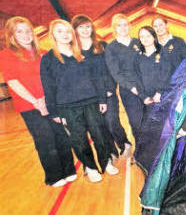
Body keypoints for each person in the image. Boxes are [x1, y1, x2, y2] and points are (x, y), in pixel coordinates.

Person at [0, 16, 76, 187]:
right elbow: (13, 82)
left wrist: (51, 100)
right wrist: (36, 102)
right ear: (11, 35)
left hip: (51, 103)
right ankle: (54, 176)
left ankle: (69, 170)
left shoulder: (43, 53)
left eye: (27, 30)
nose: (25, 34)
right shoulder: (6, 55)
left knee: (62, 137)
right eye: (19, 31)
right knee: (46, 140)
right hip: (29, 106)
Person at [40, 19, 117, 183]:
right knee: (79, 140)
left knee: (100, 135)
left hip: (91, 102)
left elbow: (96, 79)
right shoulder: (48, 59)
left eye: (67, 31)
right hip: (67, 107)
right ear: (52, 35)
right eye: (59, 31)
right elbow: (48, 87)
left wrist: (102, 99)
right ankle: (90, 167)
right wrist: (53, 111)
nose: (65, 34)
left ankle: (106, 162)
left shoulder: (81, 53)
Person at [71, 14, 131, 160]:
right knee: (100, 126)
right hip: (90, 97)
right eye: (81, 27)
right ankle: (111, 151)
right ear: (75, 30)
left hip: (108, 93)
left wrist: (110, 89)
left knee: (111, 122)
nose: (85, 30)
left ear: (92, 28)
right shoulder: (74, 51)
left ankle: (124, 143)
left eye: (88, 26)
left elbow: (111, 70)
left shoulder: (103, 46)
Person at [104, 13, 143, 144]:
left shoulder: (138, 42)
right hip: (129, 91)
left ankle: (155, 151)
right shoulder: (111, 48)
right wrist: (132, 87)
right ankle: (140, 152)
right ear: (114, 28)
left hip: (146, 87)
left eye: (125, 24)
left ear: (130, 26)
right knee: (136, 122)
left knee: (150, 120)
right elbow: (115, 73)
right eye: (119, 25)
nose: (123, 28)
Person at [135, 26, 173, 119]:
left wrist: (159, 92)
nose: (145, 39)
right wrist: (143, 97)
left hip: (163, 97)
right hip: (147, 100)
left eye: (148, 36)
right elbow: (137, 78)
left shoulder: (163, 52)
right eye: (142, 36)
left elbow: (167, 74)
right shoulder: (138, 57)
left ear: (154, 37)